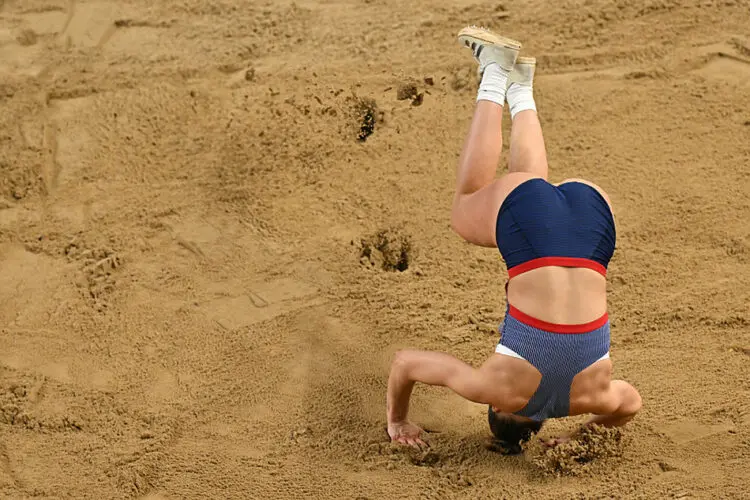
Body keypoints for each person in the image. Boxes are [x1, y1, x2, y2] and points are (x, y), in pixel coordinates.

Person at [385, 26, 642, 452]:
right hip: (535, 232)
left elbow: (630, 404)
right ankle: (494, 71)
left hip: (595, 224)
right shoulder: (496, 389)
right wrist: (398, 422)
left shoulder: (594, 396)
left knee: (528, 187)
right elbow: (404, 363)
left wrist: (577, 435)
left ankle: (521, 86)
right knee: (466, 208)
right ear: (499, 409)